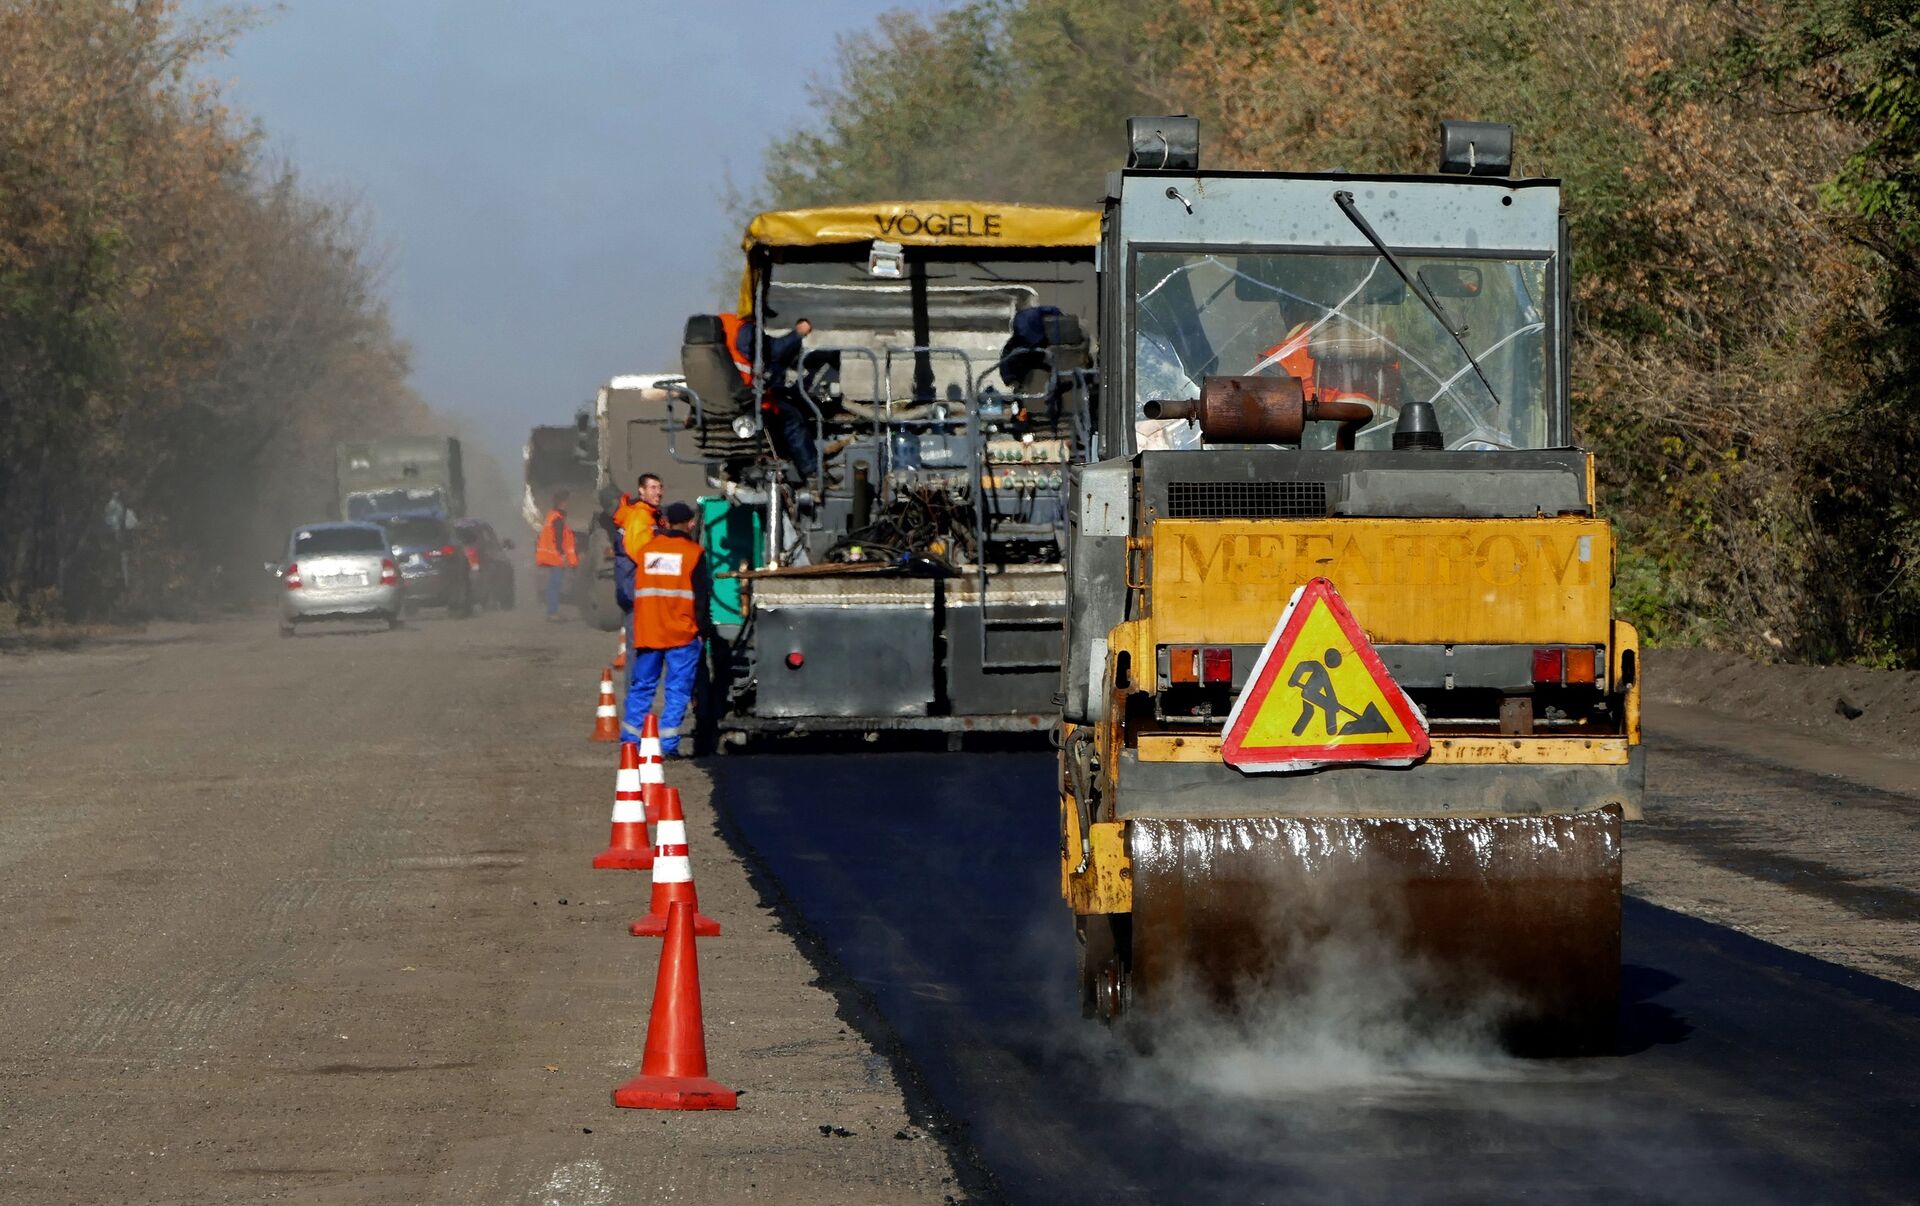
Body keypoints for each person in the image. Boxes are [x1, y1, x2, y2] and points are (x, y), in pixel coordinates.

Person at [624, 501, 711, 755]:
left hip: (649, 631)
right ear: (689, 523)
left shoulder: (647, 552)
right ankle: (667, 746)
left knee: (641, 687)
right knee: (677, 690)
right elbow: (701, 599)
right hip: (681, 633)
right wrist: (703, 631)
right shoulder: (693, 553)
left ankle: (630, 742)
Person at [733, 313, 819, 478]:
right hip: (749, 400)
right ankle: (812, 472)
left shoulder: (724, 328)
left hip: (733, 397)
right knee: (792, 418)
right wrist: (798, 333)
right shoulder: (745, 330)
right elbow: (773, 351)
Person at [613, 473, 663, 614]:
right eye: (653, 488)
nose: (658, 492)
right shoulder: (640, 517)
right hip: (637, 591)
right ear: (641, 490)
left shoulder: (647, 514)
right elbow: (642, 555)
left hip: (634, 590)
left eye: (660, 488)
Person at [534, 490, 578, 621]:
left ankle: (552, 612)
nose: (568, 504)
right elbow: (558, 538)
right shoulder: (557, 519)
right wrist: (563, 554)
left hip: (553, 556)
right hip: (556, 558)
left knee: (553, 585)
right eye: (566, 501)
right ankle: (552, 613)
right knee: (554, 585)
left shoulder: (552, 516)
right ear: (562, 502)